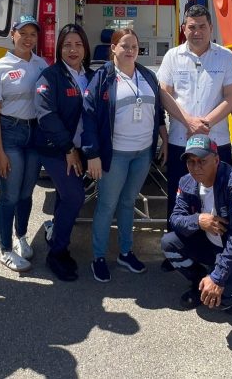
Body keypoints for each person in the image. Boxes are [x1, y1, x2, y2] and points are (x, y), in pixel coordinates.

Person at [82, 28, 192, 282]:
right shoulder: (103, 77)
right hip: (115, 154)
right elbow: (88, 118)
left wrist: (164, 140)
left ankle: (125, 252)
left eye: (134, 46)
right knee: (107, 205)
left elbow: (158, 112)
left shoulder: (146, 75)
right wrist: (93, 154)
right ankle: (98, 257)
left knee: (128, 202)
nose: (130, 51)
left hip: (142, 153)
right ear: (113, 48)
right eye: (124, 46)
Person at [161, 134, 232, 315]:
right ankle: (200, 281)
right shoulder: (186, 181)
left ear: (217, 160)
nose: (195, 168)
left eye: (202, 161)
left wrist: (218, 277)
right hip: (211, 246)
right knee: (168, 242)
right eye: (190, 162)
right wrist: (198, 220)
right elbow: (175, 219)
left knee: (223, 300)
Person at [157, 4, 232, 231]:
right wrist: (189, 122)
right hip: (181, 140)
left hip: (216, 141)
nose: (197, 31)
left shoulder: (226, 57)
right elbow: (164, 94)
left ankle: (216, 249)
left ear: (211, 28)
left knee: (219, 196)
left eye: (202, 26)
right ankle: (177, 245)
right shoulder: (172, 56)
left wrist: (206, 124)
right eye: (192, 27)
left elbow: (231, 97)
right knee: (179, 195)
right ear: (184, 28)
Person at [0, 14, 48, 272]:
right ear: (12, 35)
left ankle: (20, 236)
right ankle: (5, 249)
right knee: (9, 195)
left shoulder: (41, 64)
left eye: (33, 34)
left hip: (34, 133)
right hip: (10, 133)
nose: (28, 39)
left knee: (26, 193)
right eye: (23, 33)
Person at [34, 24, 94, 281]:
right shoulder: (50, 76)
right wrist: (68, 148)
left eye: (78, 44)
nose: (73, 49)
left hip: (80, 150)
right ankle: (57, 253)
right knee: (74, 196)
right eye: (67, 44)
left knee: (63, 197)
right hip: (56, 150)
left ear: (85, 48)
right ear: (59, 48)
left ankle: (56, 235)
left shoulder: (91, 76)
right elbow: (46, 116)